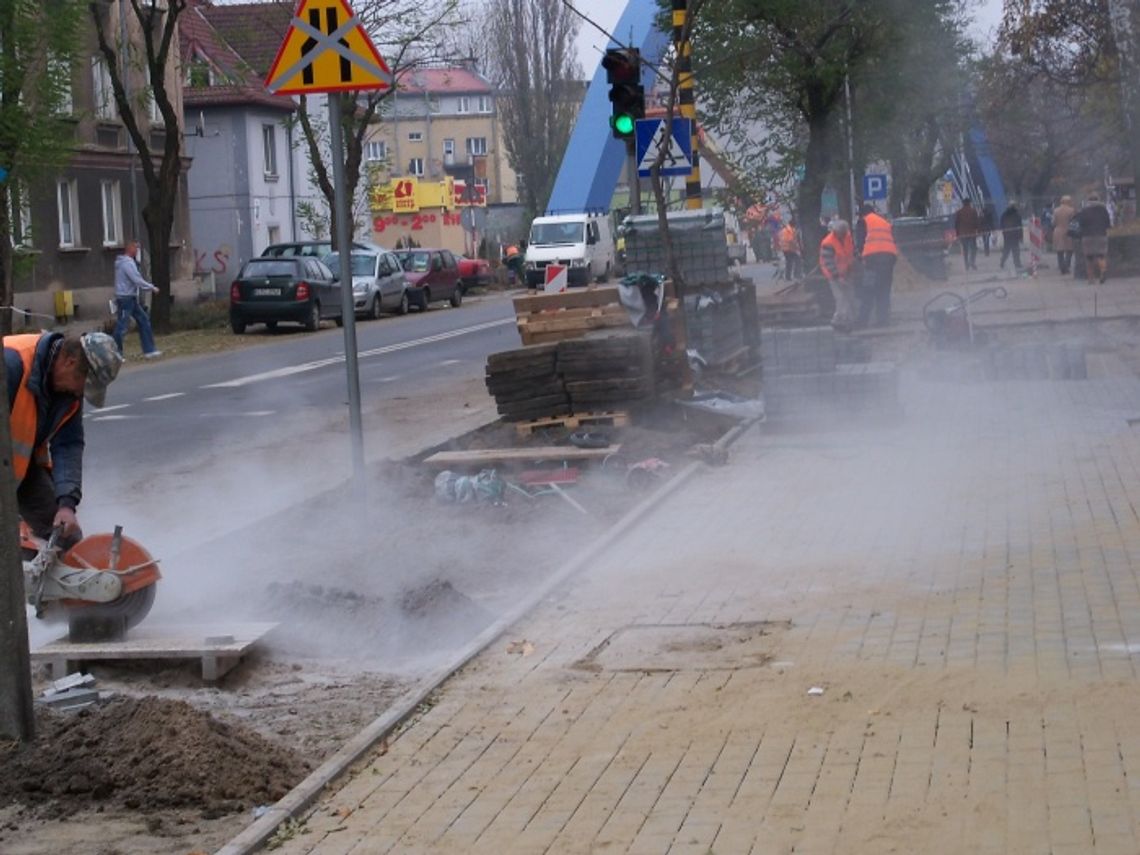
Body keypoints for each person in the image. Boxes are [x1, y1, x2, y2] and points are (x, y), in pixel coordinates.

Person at [4, 331, 122, 545]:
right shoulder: (11, 364)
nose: (79, 392)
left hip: (18, 468)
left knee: (65, 538)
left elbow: (68, 444)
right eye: (82, 383)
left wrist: (67, 505)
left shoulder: (69, 394)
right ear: (70, 362)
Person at [113, 240, 162, 359]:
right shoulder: (127, 263)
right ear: (130, 249)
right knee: (122, 327)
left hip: (130, 298)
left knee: (144, 320)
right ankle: (116, 353)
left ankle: (149, 350)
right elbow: (136, 279)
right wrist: (152, 288)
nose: (137, 251)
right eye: (136, 248)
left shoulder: (125, 262)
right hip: (125, 299)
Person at [856, 203, 899, 328]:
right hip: (889, 258)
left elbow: (861, 241)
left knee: (868, 290)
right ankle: (883, 321)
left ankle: (862, 321)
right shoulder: (884, 222)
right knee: (884, 290)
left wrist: (860, 256)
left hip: (873, 260)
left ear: (862, 214)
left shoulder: (863, 221)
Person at [820, 219, 856, 332]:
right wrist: (837, 277)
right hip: (833, 275)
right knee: (841, 298)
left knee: (849, 296)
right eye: (842, 233)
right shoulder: (828, 243)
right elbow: (828, 263)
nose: (844, 235)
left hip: (846, 272)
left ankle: (846, 321)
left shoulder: (847, 236)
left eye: (845, 232)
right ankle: (838, 322)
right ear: (836, 232)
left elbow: (851, 252)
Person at [1075, 193, 1112, 284]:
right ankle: (1103, 271)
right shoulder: (1103, 210)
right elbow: (1108, 223)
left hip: (1087, 236)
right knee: (1101, 256)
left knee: (1089, 258)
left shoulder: (1084, 211)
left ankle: (1091, 279)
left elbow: (1080, 223)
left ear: (1088, 201)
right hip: (1101, 235)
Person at [1051, 195, 1077, 276]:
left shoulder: (1056, 210)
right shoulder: (1071, 210)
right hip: (1068, 231)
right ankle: (1066, 265)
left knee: (1060, 251)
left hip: (1058, 231)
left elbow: (1053, 223)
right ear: (1068, 202)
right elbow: (1074, 221)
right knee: (1069, 250)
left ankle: (1061, 266)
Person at [954, 198, 981, 271]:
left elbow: (956, 224)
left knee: (965, 250)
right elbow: (976, 222)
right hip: (972, 233)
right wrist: (978, 230)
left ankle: (966, 265)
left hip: (963, 234)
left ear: (963, 203)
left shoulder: (959, 212)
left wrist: (957, 234)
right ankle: (972, 261)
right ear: (969, 203)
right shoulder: (973, 211)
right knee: (974, 249)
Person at [999, 201, 1024, 271]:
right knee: (1016, 250)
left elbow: (1001, 224)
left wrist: (1004, 232)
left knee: (1006, 250)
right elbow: (1020, 226)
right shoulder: (1017, 215)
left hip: (1007, 235)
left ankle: (1002, 262)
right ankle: (1017, 263)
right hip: (1015, 236)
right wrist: (1021, 237)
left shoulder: (1004, 214)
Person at [778, 217, 803, 281]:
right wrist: (796, 246)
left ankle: (789, 276)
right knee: (795, 260)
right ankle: (795, 275)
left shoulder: (788, 229)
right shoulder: (789, 230)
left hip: (787, 248)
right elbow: (790, 240)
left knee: (790, 262)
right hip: (788, 248)